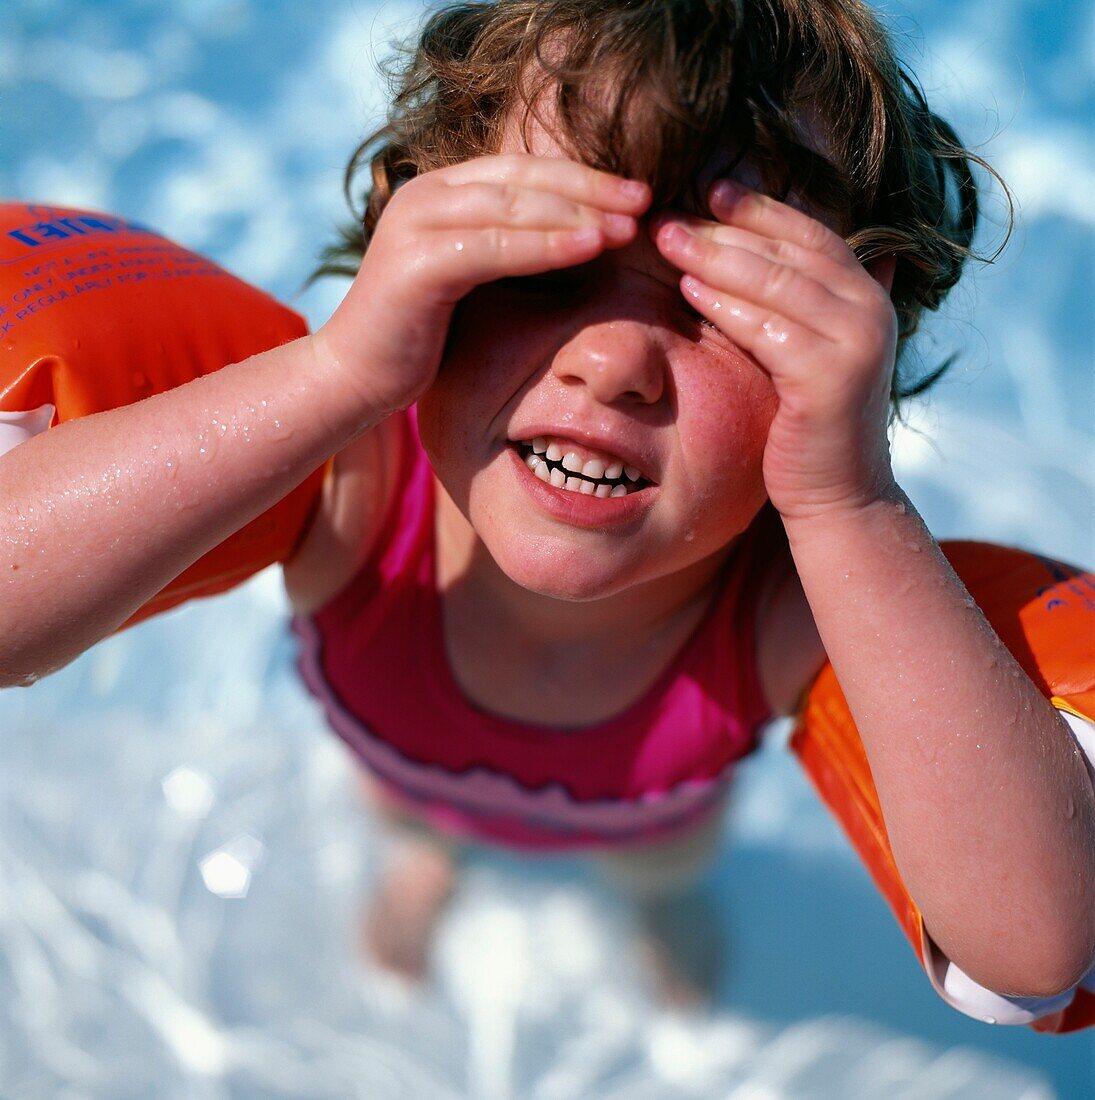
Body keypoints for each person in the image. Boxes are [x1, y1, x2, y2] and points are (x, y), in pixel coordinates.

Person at [1, 0, 1093, 1022]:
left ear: (855, 344)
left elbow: (1035, 952)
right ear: (411, 241)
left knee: (661, 859)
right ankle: (430, 863)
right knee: (407, 815)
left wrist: (848, 501)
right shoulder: (350, 486)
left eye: (723, 304)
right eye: (546, 266)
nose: (613, 361)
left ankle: (653, 903)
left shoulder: (781, 609)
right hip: (401, 766)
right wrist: (342, 372)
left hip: (650, 816)